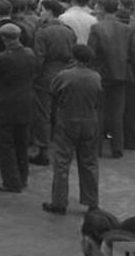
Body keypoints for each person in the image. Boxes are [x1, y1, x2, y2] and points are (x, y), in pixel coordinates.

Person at [43, 44, 101, 215]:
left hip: (67, 119)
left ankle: (59, 203)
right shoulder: (95, 77)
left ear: (74, 57)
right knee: (89, 162)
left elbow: (52, 91)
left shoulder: (65, 75)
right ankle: (92, 202)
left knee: (61, 162)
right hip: (90, 120)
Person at [0, 23, 37, 193]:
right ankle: (22, 177)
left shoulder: (2, 57)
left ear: (3, 38)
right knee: (22, 143)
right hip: (25, 103)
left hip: (4, 105)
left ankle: (11, 181)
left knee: (5, 145)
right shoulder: (30, 54)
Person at [87, 0, 135, 158]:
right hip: (121, 74)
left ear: (102, 8)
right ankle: (117, 148)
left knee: (99, 111)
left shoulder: (96, 28)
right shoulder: (126, 29)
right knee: (117, 112)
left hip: (101, 74)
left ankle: (97, 148)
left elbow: (91, 53)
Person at [29, 0, 76, 166]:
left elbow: (38, 58)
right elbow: (73, 55)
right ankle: (63, 146)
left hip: (45, 77)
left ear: (49, 12)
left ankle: (43, 149)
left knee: (43, 113)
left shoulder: (42, 32)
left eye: (42, 10)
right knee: (60, 113)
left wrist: (34, 75)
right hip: (64, 75)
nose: (40, 14)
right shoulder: (68, 31)